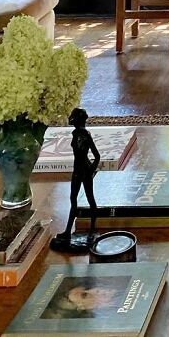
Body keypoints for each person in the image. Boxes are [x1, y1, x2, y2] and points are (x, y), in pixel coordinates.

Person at [51, 107, 100, 251]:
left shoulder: (85, 134)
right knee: (73, 199)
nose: (70, 119)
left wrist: (91, 171)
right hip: (77, 170)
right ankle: (68, 231)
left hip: (83, 170)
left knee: (90, 199)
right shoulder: (76, 133)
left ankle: (91, 229)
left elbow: (96, 156)